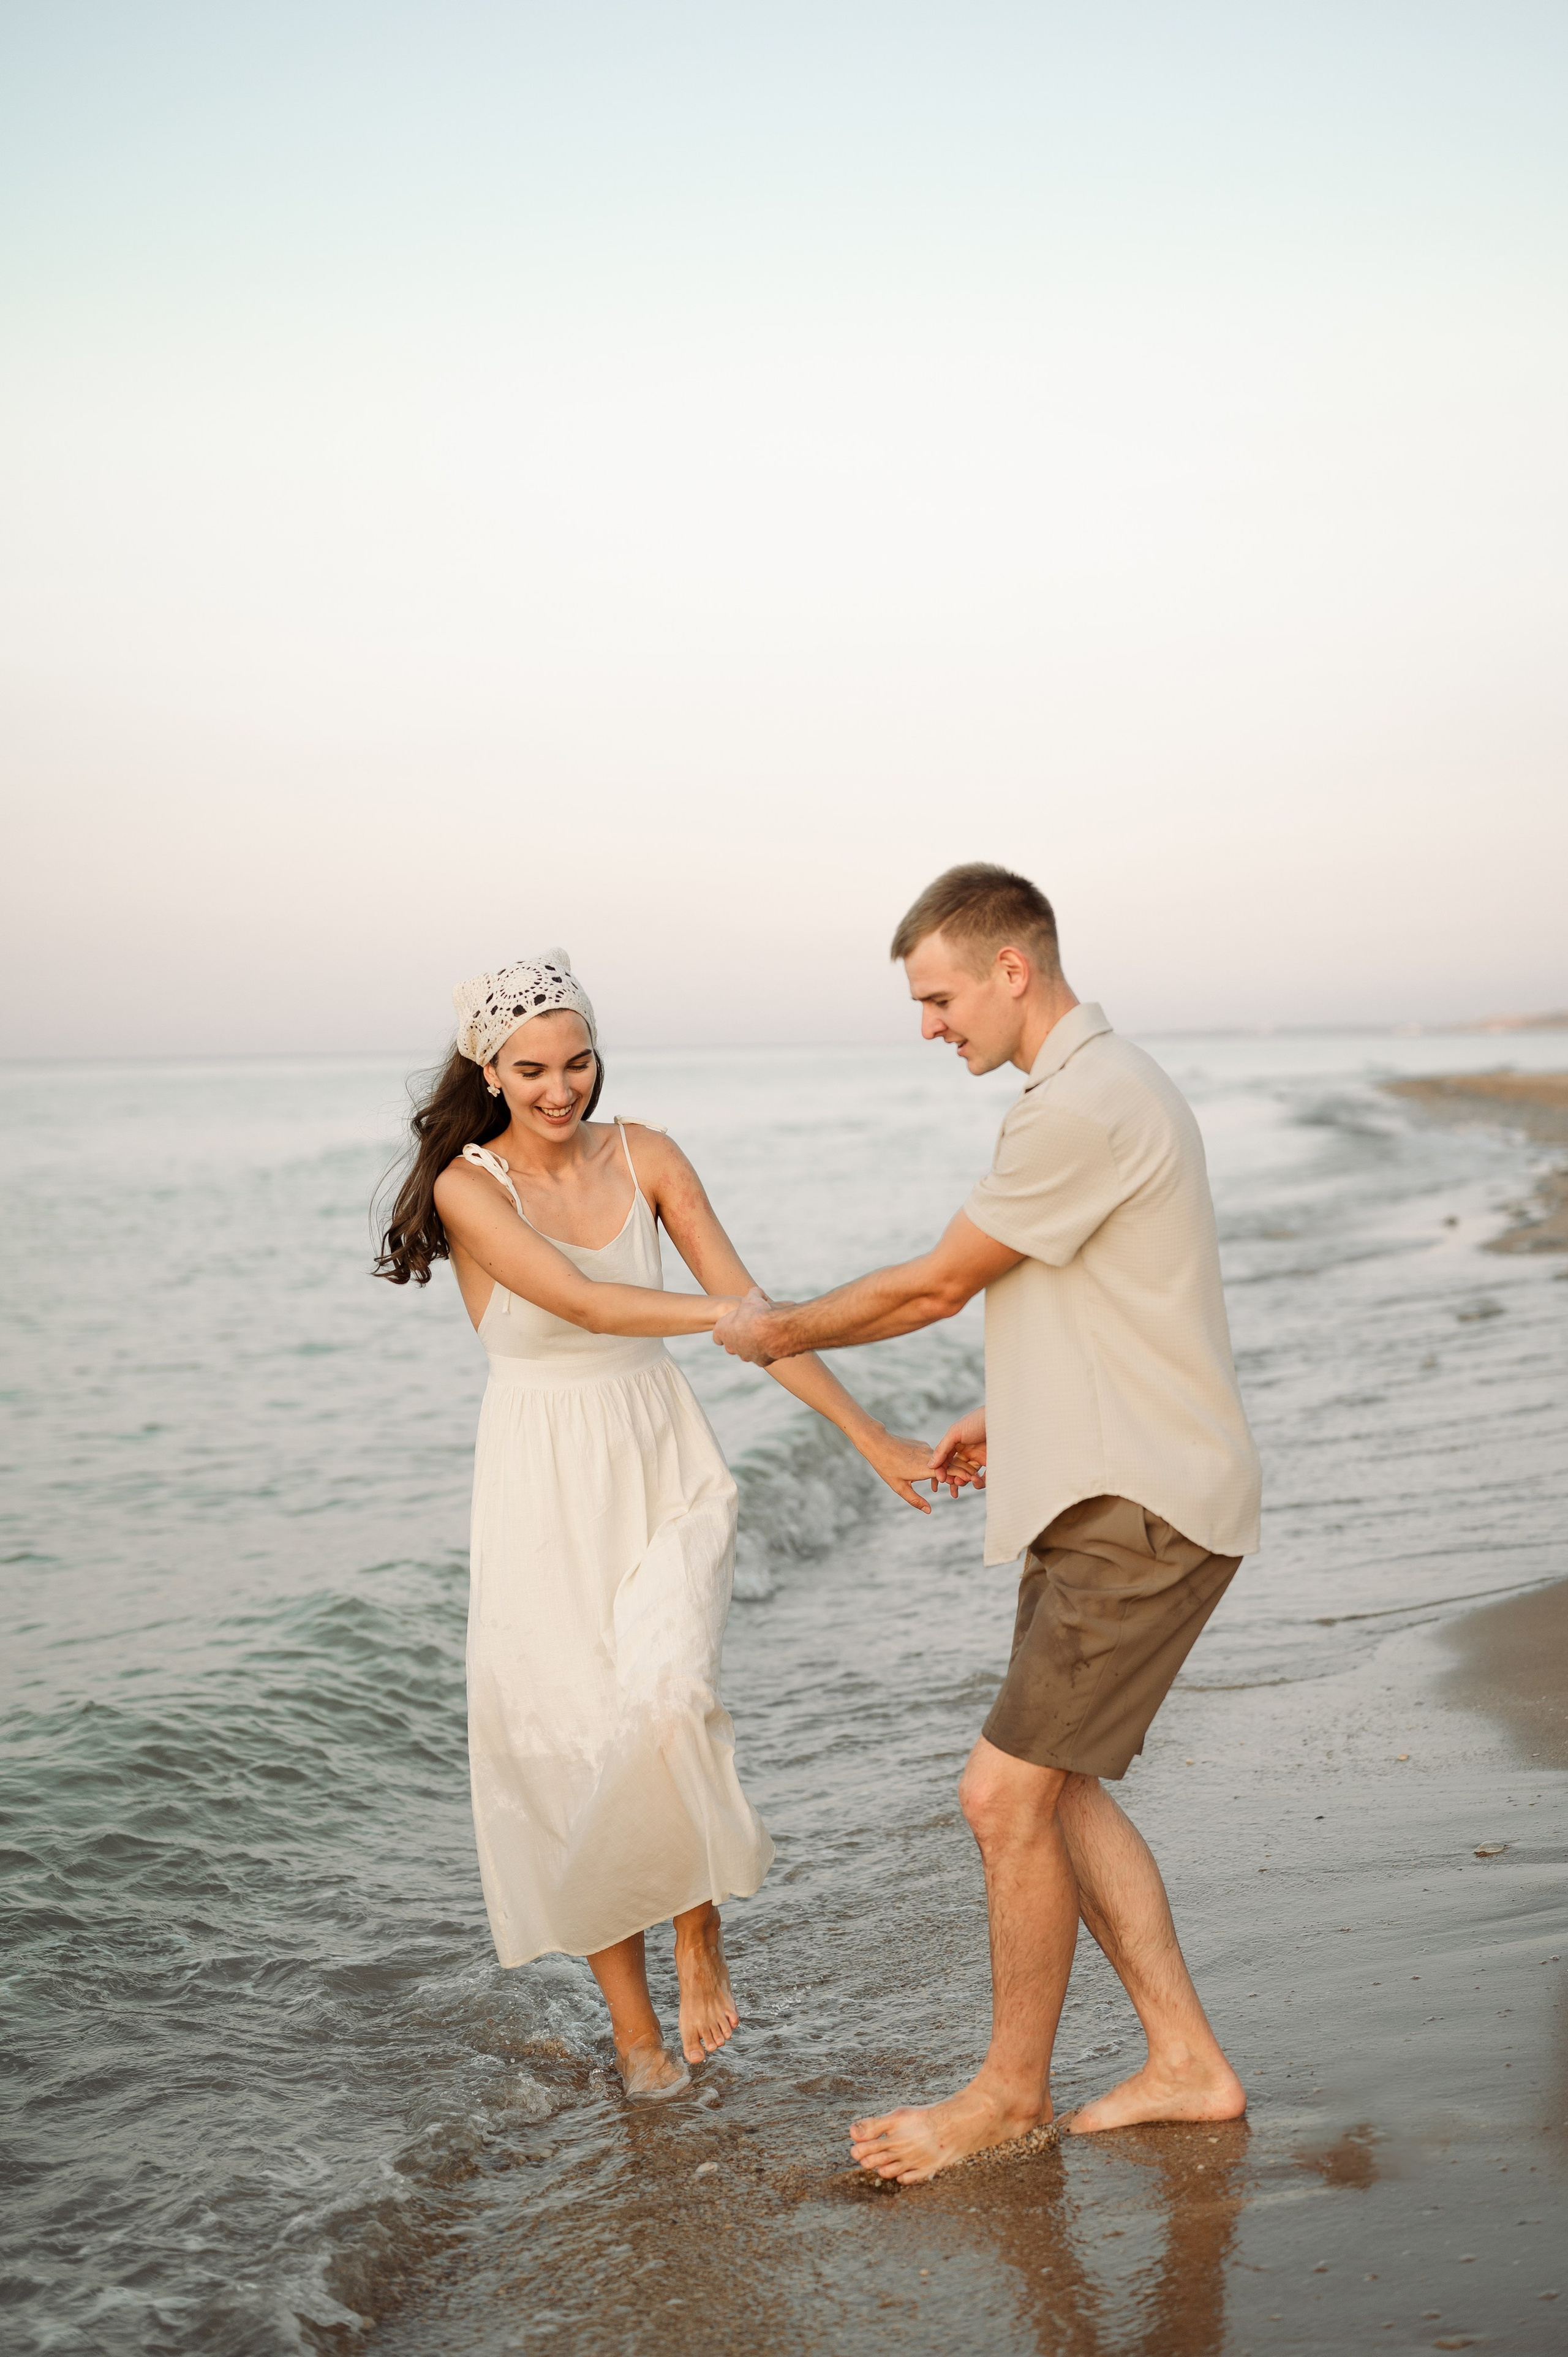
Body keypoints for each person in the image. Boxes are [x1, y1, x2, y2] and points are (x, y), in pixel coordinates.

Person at [713, 865, 1262, 2181]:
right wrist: (1004, 1412)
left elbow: (935, 1284)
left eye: (937, 995)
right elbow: (1122, 1303)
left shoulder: (1077, 1104)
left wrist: (775, 1326)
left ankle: (1008, 2094)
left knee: (999, 1795)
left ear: (1010, 969)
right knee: (1053, 1794)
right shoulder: (1094, 1091)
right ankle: (1184, 2059)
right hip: (1106, 1485)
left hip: (1140, 1507)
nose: (928, 1025)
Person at [376, 951, 944, 2102]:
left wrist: (870, 1435)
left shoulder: (651, 1156)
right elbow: (584, 1302)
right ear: (488, 1070)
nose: (560, 1088)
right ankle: (637, 2042)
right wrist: (726, 1316)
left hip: (661, 1465)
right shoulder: (467, 1189)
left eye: (576, 1061)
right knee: (578, 1762)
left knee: (667, 1700)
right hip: (541, 1495)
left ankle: (700, 1934)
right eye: (530, 1068)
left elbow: (767, 1324)